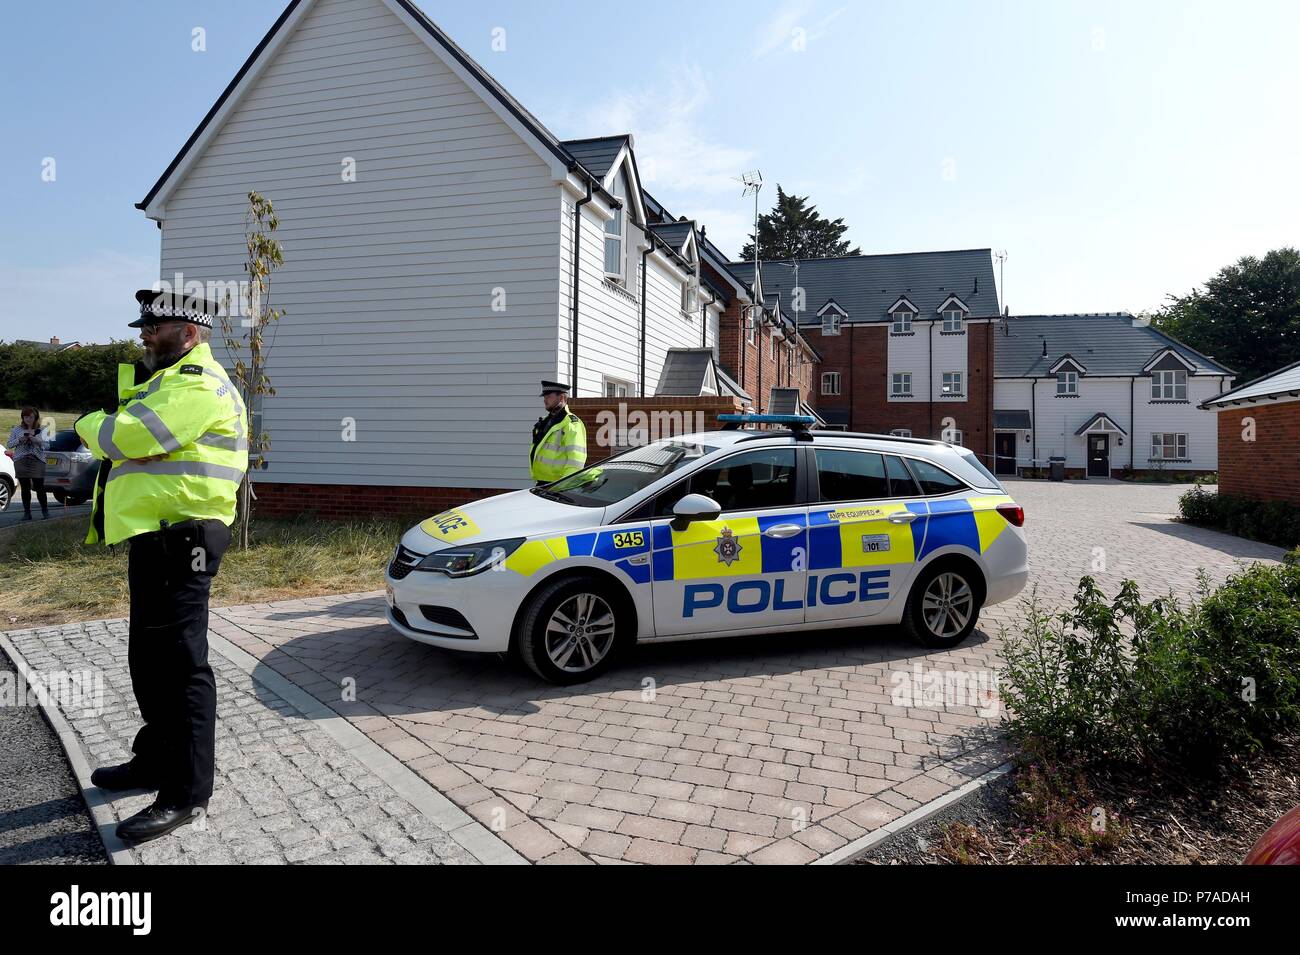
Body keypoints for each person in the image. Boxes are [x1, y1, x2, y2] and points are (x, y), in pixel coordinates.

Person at [74, 289, 249, 844]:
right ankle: (154, 760)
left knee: (181, 669)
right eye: (143, 328)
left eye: (155, 328)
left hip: (185, 541)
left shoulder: (200, 385)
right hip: (157, 541)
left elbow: (128, 437)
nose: (144, 335)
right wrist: (119, 437)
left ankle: (185, 794)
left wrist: (90, 424)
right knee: (149, 661)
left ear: (191, 333)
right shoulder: (165, 383)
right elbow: (130, 446)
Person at [530, 380, 587, 484]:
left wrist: (566, 485)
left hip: (559, 485)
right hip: (542, 482)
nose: (545, 400)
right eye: (544, 397)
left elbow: (576, 461)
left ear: (561, 397)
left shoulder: (572, 424)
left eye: (548, 397)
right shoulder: (544, 421)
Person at [6, 406, 51, 520]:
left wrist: (38, 441)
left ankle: (45, 511)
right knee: (25, 487)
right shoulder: (17, 429)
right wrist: (20, 440)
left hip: (37, 459)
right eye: (26, 417)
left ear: (35, 417)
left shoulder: (43, 429)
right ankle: (27, 513)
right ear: (22, 417)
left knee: (39, 486)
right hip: (21, 459)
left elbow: (48, 446)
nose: (28, 419)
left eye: (30, 417)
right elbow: (10, 444)